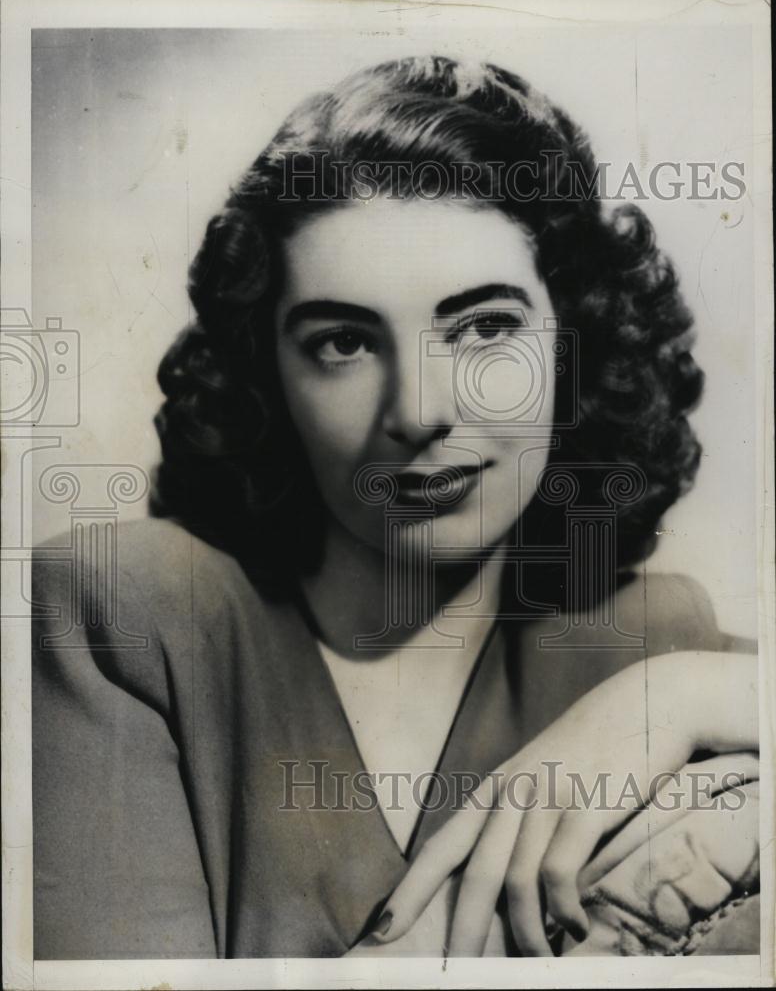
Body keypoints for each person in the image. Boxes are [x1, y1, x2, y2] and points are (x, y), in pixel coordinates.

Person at [31, 55, 759, 960]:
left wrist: (681, 693)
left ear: (573, 343)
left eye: (486, 327)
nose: (417, 411)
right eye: (343, 342)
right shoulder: (122, 617)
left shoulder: (648, 634)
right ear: (270, 376)